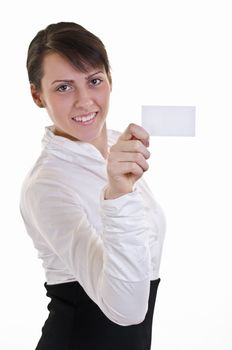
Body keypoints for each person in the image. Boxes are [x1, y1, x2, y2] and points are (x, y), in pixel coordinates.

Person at [20, 22, 166, 350]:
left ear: (110, 80)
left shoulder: (119, 147)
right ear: (37, 95)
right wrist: (117, 194)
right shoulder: (45, 187)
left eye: (94, 81)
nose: (85, 101)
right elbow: (126, 310)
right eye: (63, 87)